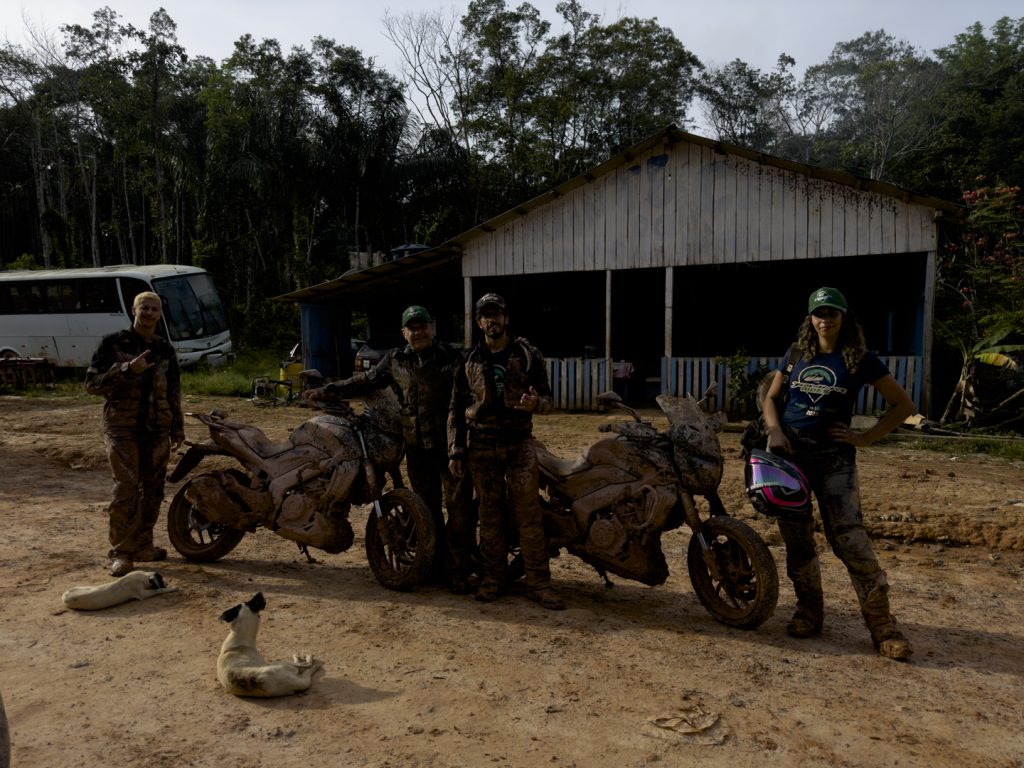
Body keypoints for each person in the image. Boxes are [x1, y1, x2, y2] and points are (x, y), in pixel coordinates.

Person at [761, 287, 916, 659]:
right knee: (798, 540)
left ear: (844, 318)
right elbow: (770, 398)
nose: (824, 320)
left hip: (834, 460)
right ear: (810, 319)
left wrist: (864, 438)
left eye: (831, 313)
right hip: (791, 457)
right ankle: (809, 612)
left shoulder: (860, 358)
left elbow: (903, 405)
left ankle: (881, 624)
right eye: (818, 313)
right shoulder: (797, 353)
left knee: (850, 539)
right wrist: (775, 429)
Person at [303, 306, 475, 593]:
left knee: (459, 511)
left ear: (432, 328)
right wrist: (328, 389)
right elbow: (365, 382)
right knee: (426, 510)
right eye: (412, 327)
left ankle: (458, 571)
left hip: (451, 447)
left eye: (423, 326)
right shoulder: (396, 359)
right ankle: (432, 566)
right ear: (404, 333)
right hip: (417, 449)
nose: (418, 332)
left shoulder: (453, 356)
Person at [447, 293, 564, 610]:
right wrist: (455, 450)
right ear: (479, 322)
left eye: (496, 314)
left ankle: (539, 583)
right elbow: (456, 408)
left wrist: (536, 404)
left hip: (519, 443)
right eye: (486, 315)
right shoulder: (468, 359)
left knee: (529, 515)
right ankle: (492, 579)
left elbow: (550, 401)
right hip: (481, 445)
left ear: (506, 318)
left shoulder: (528, 354)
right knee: (490, 515)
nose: (492, 320)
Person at [85, 291, 185, 577]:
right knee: (126, 489)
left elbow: (174, 389)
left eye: (155, 309)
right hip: (122, 428)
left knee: (153, 490)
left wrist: (177, 425)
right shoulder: (113, 344)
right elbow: (92, 384)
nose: (150, 313)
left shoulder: (164, 349)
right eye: (145, 308)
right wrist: (127, 369)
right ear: (133, 310)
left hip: (157, 429)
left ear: (160, 314)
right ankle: (121, 552)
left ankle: (144, 545)